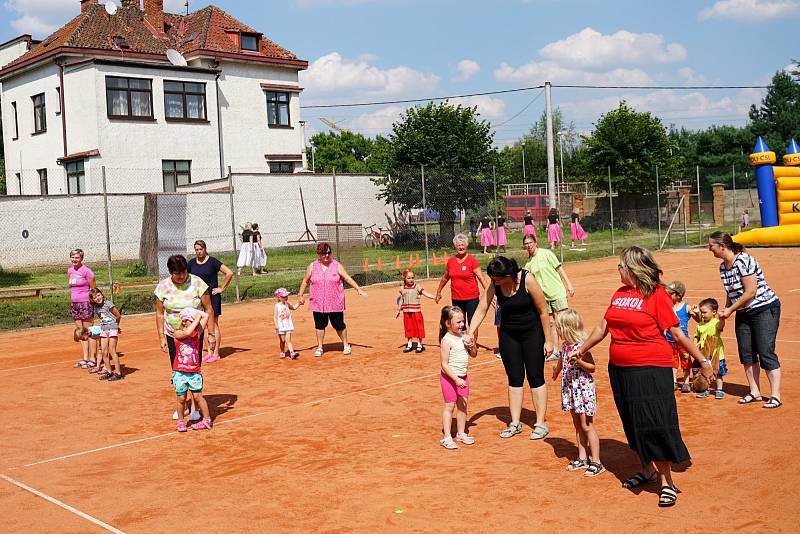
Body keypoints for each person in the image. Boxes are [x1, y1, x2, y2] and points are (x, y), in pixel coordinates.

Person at [575, 246, 714, 508]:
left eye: (621, 266)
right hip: (619, 369)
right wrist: (581, 349)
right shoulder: (619, 294)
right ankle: (648, 470)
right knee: (632, 422)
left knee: (654, 424)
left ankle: (666, 481)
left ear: (633, 269)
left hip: (650, 369)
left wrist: (703, 361)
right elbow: (603, 327)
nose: (618, 270)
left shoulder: (658, 295)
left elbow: (678, 334)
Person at [468, 256, 553, 441]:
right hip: (509, 335)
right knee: (514, 377)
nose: (494, 282)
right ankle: (515, 422)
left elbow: (543, 311)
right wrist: (470, 331)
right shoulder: (496, 282)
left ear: (508, 274)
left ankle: (540, 423)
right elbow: (482, 307)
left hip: (532, 333)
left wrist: (548, 340)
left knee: (535, 375)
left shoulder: (527, 279)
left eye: (497, 278)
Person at [708, 231, 781, 408]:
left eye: (711, 246)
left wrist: (730, 310)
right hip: (743, 311)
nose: (709, 249)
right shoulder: (722, 267)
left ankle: (775, 395)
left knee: (765, 351)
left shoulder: (744, 261)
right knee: (746, 353)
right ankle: (754, 392)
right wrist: (726, 311)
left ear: (722, 246)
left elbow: (751, 291)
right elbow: (730, 291)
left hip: (763, 308)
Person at [154, 254, 216, 422]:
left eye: (183, 272)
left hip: (195, 336)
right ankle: (183, 404)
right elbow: (160, 314)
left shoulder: (197, 283)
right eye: (177, 273)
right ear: (170, 272)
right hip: (173, 336)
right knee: (177, 370)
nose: (181, 276)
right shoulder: (163, 287)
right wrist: (161, 337)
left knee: (193, 368)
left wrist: (210, 334)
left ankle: (196, 407)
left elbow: (208, 309)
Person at [551, 309, 602, 477]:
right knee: (577, 424)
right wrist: (556, 371)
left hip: (583, 390)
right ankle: (582, 458)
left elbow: (592, 368)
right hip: (571, 389)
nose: (556, 331)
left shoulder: (582, 346)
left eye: (558, 328)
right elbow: (561, 360)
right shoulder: (566, 346)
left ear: (567, 328)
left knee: (587, 425)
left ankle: (596, 461)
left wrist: (579, 361)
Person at [298, 242, 367, 357]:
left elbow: (347, 278)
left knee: (338, 324)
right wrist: (300, 295)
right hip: (318, 302)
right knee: (319, 325)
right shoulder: (312, 266)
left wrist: (358, 289)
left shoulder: (336, 265)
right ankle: (320, 347)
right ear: (319, 254)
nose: (327, 255)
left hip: (335, 302)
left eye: (329, 253)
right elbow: (305, 281)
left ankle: (345, 345)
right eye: (324, 253)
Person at [523, 233, 574, 362]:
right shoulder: (528, 264)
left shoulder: (547, 254)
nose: (529, 245)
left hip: (557, 292)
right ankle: (556, 351)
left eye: (530, 242)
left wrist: (568, 284)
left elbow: (559, 269)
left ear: (535, 243)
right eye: (526, 244)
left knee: (562, 321)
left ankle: (573, 347)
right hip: (544, 297)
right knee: (551, 323)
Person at [438, 306, 478, 450]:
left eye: (463, 321)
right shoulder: (446, 340)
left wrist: (472, 345)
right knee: (450, 406)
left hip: (463, 377)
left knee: (463, 405)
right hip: (450, 379)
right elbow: (444, 365)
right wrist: (456, 379)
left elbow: (474, 354)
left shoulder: (464, 337)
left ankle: (461, 433)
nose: (462, 325)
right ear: (448, 323)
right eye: (458, 322)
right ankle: (447, 437)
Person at [188, 240, 234, 363]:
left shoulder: (212, 261)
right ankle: (208, 351)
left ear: (205, 249)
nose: (199, 252)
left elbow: (229, 273)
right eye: (196, 250)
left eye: (200, 249)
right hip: (198, 298)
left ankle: (216, 353)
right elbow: (186, 277)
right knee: (202, 324)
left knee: (213, 324)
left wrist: (221, 288)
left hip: (212, 296)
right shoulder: (192, 263)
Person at [434, 234, 488, 329]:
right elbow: (445, 278)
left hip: (472, 298)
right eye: (459, 245)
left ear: (466, 245)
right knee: (459, 323)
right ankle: (461, 343)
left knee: (472, 323)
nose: (461, 247)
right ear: (455, 246)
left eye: (463, 245)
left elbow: (481, 278)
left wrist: (489, 293)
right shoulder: (451, 261)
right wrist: (438, 291)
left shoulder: (472, 261)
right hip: (457, 298)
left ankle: (472, 343)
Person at [172, 308, 213, 432]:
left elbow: (206, 316)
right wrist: (196, 318)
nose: (195, 322)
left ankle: (206, 420)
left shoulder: (196, 333)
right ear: (184, 321)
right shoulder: (178, 333)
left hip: (194, 372)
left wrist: (195, 312)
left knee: (198, 397)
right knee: (181, 399)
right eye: (191, 320)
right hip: (179, 372)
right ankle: (181, 421)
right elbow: (188, 332)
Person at [690, 298, 727, 399]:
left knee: (718, 373)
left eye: (704, 312)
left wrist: (722, 319)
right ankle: (705, 389)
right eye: (701, 312)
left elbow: (720, 327)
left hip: (716, 354)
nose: (702, 315)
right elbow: (696, 337)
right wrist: (694, 349)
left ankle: (719, 389)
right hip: (703, 354)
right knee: (703, 373)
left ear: (714, 312)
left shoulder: (716, 323)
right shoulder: (700, 325)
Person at [68, 249, 97, 369]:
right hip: (75, 304)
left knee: (89, 331)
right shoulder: (70, 271)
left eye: (77, 257)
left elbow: (94, 289)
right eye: (73, 257)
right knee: (80, 331)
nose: (75, 260)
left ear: (81, 259)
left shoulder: (87, 271)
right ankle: (85, 358)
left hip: (85, 303)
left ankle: (93, 358)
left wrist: (92, 303)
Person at [395, 268, 435, 353]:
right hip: (406, 312)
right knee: (408, 328)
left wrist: (434, 297)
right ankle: (409, 344)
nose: (411, 280)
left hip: (416, 312)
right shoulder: (402, 288)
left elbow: (425, 293)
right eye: (409, 278)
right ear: (404, 278)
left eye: (412, 277)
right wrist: (398, 310)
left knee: (418, 328)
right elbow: (401, 300)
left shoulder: (417, 287)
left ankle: (419, 344)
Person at [664, 281, 692, 392]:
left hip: (683, 341)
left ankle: (686, 382)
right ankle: (674, 381)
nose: (668, 296)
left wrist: (696, 312)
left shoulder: (686, 307)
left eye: (671, 294)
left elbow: (699, 319)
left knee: (685, 361)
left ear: (679, 295)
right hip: (670, 340)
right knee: (672, 361)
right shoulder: (668, 307)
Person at [90, 288, 124, 381]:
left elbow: (118, 316)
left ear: (102, 294)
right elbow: (101, 318)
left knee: (112, 351)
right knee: (104, 352)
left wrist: (116, 326)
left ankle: (118, 373)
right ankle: (109, 372)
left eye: (98, 295)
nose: (97, 298)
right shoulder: (96, 308)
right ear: (92, 300)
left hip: (112, 328)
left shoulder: (108, 304)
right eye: (94, 297)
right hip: (104, 330)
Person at [274, 287, 302, 359]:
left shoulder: (287, 304)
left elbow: (293, 307)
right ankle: (282, 351)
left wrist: (299, 303)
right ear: (279, 297)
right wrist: (276, 325)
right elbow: (275, 317)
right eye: (284, 296)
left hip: (288, 325)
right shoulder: (277, 306)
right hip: (280, 326)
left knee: (288, 340)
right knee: (282, 341)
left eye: (286, 296)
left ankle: (292, 353)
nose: (286, 297)